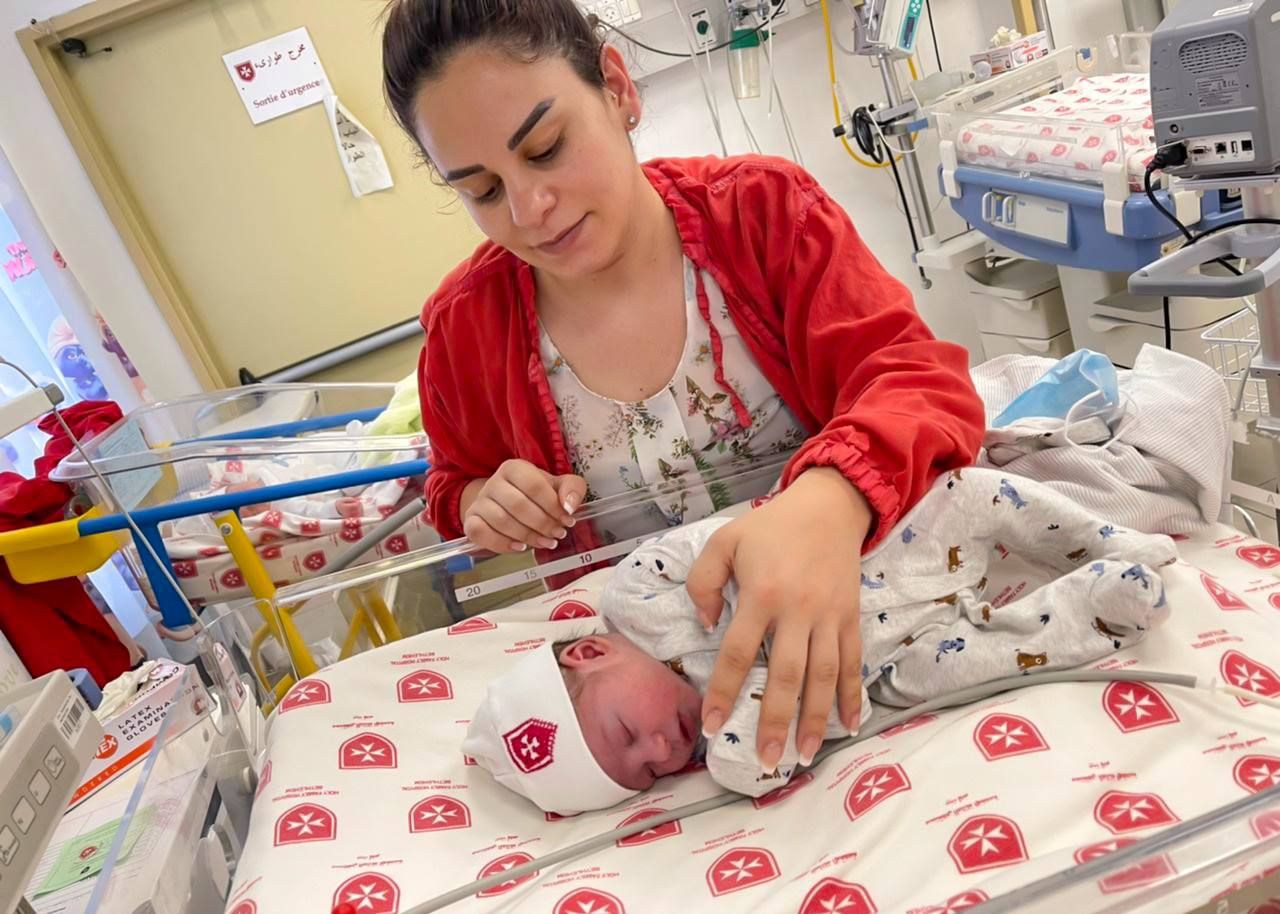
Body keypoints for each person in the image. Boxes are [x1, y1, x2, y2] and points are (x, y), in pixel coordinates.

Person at [382, 0, 986, 772]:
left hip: (861, 609)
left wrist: (829, 499)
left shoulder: (765, 215)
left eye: (546, 148)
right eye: (483, 191)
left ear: (617, 89)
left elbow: (914, 379)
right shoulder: (466, 330)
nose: (530, 210)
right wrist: (479, 502)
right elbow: (452, 480)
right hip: (674, 700)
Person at [463, 468, 1176, 813]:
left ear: (590, 652)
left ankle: (1105, 539)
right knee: (972, 667)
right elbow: (783, 749)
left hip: (883, 554)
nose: (662, 753)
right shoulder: (719, 744)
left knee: (971, 492)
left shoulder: (639, 597)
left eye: (626, 733)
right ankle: (1099, 606)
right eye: (644, 775)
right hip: (891, 661)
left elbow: (733, 539)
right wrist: (740, 749)